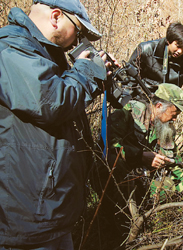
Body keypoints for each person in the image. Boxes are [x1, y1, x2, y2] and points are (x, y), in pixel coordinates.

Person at [0, 0, 114, 249]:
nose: (79, 40)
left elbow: (62, 107)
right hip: (25, 224)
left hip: (51, 216)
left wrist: (97, 78)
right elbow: (50, 102)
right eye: (79, 30)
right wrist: (85, 73)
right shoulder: (10, 49)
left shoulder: (45, 55)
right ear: (55, 16)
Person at [92, 84, 183, 244]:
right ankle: (119, 230)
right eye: (174, 113)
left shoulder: (166, 129)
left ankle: (147, 218)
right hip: (113, 175)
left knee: (168, 187)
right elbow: (110, 147)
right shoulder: (127, 114)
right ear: (158, 106)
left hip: (140, 176)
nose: (175, 119)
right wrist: (141, 157)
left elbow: (173, 163)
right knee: (117, 169)